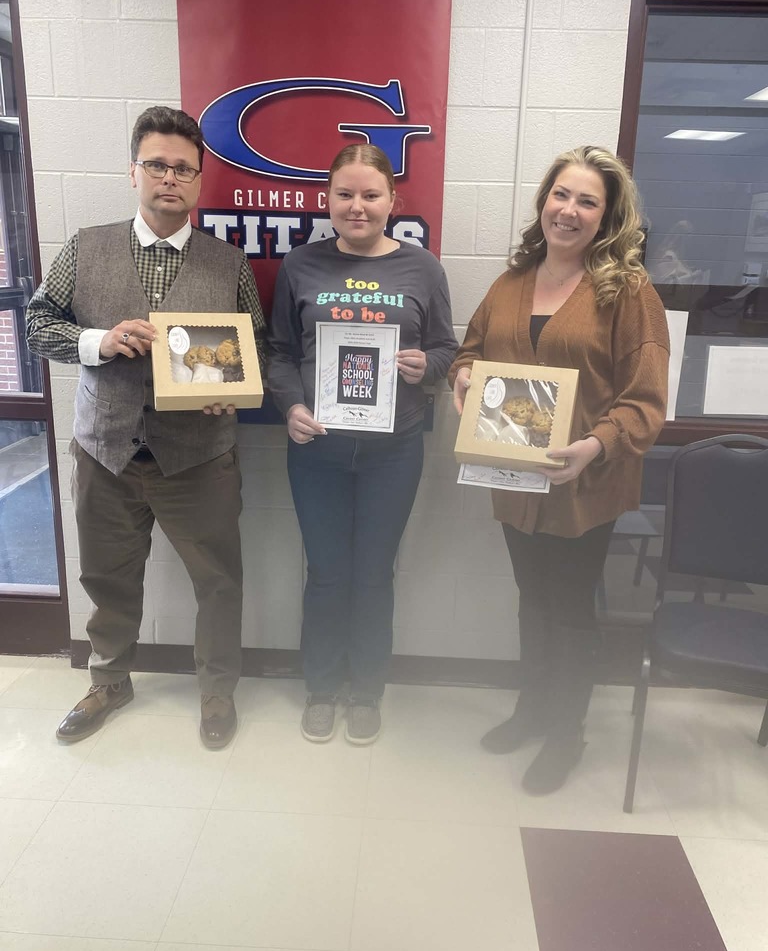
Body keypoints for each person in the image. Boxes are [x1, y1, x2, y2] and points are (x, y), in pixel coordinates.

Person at [26, 106, 266, 749]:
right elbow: (38, 326)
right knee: (106, 575)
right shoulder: (85, 247)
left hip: (199, 457)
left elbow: (259, 350)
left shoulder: (229, 264)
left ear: (199, 180)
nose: (170, 178)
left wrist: (235, 393)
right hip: (106, 450)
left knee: (218, 580)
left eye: (183, 168)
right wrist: (100, 340)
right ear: (133, 171)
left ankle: (217, 689)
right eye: (156, 164)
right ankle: (110, 680)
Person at [450, 146, 669, 794]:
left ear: (607, 217)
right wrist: (463, 375)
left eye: (587, 201)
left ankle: (567, 731)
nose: (569, 211)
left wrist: (595, 446)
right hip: (515, 481)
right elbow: (471, 350)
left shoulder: (628, 291)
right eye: (561, 195)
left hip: (585, 486)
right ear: (544, 201)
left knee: (570, 607)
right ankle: (533, 709)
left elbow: (647, 400)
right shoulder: (512, 282)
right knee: (533, 599)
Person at [268, 142, 458, 745]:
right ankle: (321, 688)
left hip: (393, 452)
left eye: (370, 195)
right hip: (317, 451)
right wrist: (292, 405)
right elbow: (278, 351)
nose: (357, 206)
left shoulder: (422, 268)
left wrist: (422, 365)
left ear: (392, 201)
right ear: (326, 199)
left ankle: (367, 690)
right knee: (326, 574)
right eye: (344, 194)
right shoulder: (301, 265)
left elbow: (449, 351)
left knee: (374, 575)